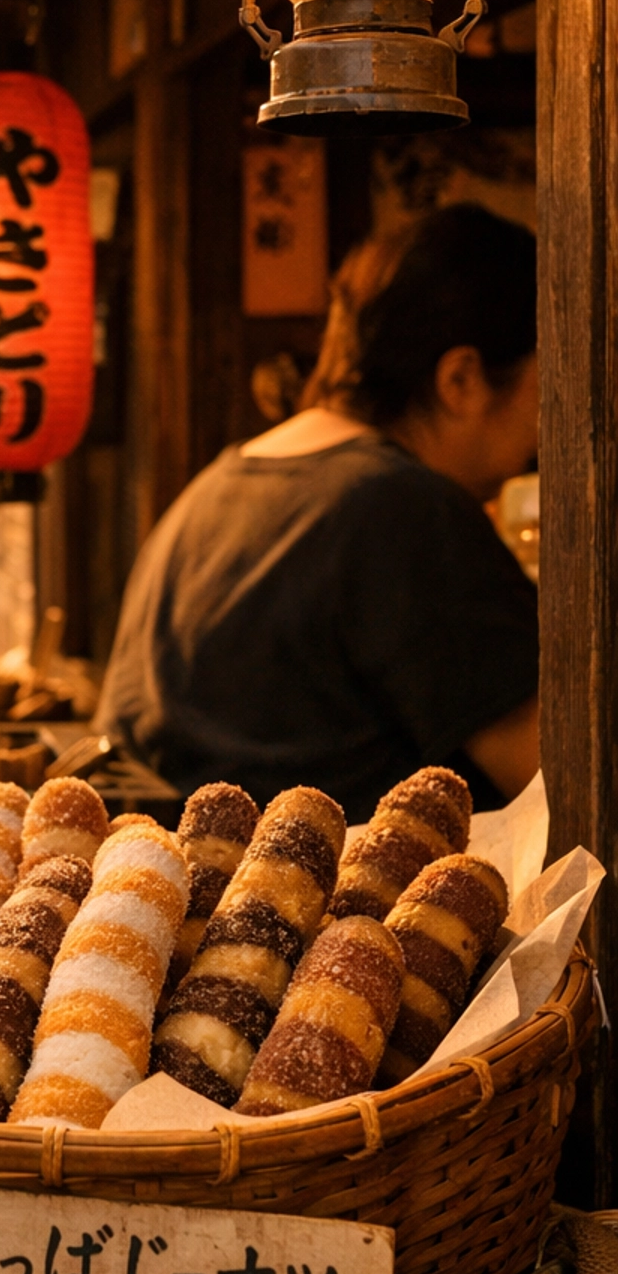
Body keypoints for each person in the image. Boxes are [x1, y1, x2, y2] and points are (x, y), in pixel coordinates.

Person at [100, 202, 540, 821]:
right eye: (545, 388)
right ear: (462, 379)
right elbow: (559, 774)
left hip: (176, 893)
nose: (541, 441)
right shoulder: (404, 508)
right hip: (335, 906)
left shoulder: (220, 485)